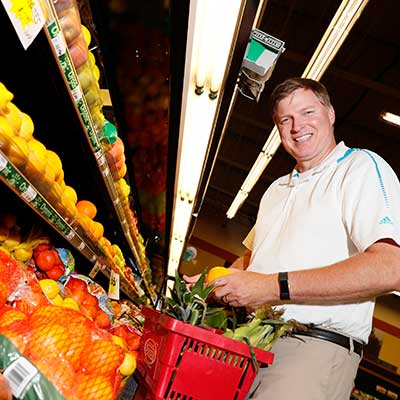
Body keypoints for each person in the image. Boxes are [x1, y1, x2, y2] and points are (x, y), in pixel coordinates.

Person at [185, 77, 400, 400]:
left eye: (308, 112)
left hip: (312, 348)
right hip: (251, 341)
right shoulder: (276, 190)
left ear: (330, 114)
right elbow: (253, 261)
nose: (297, 126)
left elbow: (390, 266)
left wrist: (272, 286)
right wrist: (215, 281)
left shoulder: (359, 169)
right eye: (286, 120)